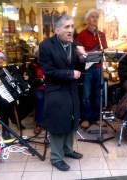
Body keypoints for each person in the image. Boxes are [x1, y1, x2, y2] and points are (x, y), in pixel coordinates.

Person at [39, 15, 86, 171]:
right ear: (57, 29)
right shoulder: (46, 45)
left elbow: (80, 67)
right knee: (58, 123)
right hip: (56, 90)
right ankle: (56, 157)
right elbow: (49, 71)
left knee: (71, 120)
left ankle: (67, 150)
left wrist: (82, 57)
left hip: (71, 89)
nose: (71, 30)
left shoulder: (74, 45)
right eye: (67, 27)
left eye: (72, 26)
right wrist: (70, 74)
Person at [75, 9, 108, 129]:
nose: (95, 19)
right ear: (87, 20)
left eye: (97, 17)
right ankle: (86, 118)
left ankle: (96, 117)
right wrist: (89, 54)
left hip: (99, 68)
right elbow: (78, 55)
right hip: (87, 69)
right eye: (93, 17)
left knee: (98, 94)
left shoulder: (101, 35)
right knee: (86, 95)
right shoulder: (81, 35)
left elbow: (105, 52)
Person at [0, 48, 26, 140]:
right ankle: (5, 130)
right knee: (5, 103)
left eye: (1, 58)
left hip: (6, 94)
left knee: (22, 98)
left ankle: (16, 120)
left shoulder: (6, 69)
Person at [30, 46, 45, 135]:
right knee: (40, 98)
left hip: (49, 87)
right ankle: (39, 124)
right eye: (39, 53)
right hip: (37, 88)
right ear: (36, 55)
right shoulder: (32, 65)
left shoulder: (49, 63)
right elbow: (31, 80)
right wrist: (41, 80)